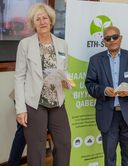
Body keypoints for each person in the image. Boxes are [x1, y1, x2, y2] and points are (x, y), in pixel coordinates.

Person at [14, 3, 71, 166]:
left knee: (64, 143)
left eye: (45, 18)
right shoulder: (25, 44)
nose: (42, 21)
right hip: (35, 103)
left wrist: (65, 80)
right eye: (37, 19)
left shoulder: (62, 44)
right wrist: (20, 109)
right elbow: (19, 77)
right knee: (36, 149)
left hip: (57, 101)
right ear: (33, 24)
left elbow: (63, 70)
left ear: (51, 20)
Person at [85, 26, 128, 166]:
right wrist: (104, 91)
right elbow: (89, 84)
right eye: (108, 38)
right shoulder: (95, 60)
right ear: (104, 41)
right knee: (109, 158)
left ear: (120, 38)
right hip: (108, 115)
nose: (112, 40)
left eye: (115, 37)